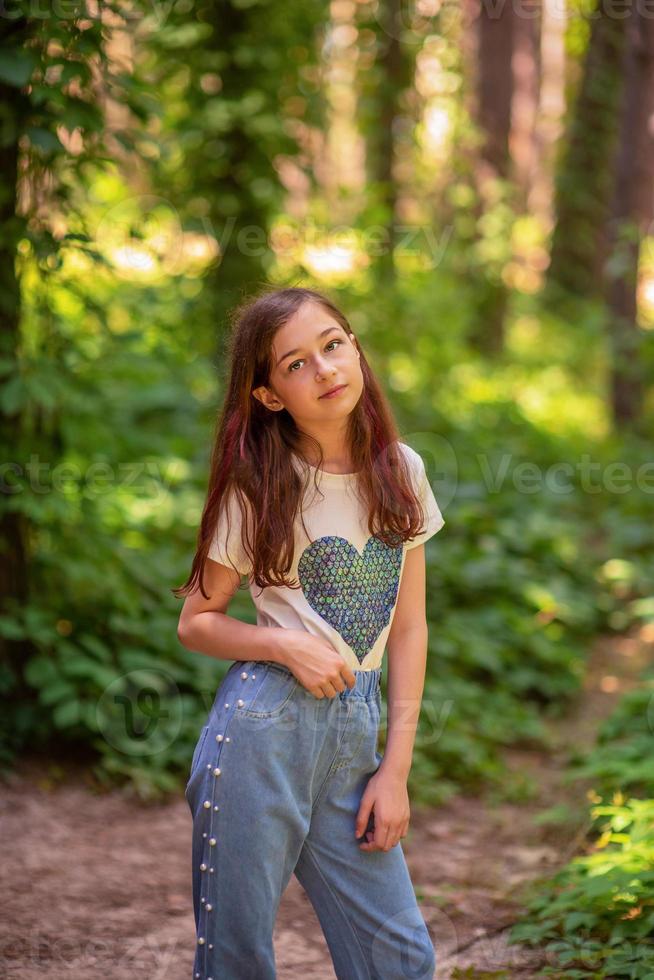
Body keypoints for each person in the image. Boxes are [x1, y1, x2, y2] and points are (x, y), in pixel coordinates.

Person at [174, 285, 445, 980]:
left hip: (356, 733)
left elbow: (410, 628)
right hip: (263, 730)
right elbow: (197, 623)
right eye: (295, 364)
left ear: (355, 347)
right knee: (239, 960)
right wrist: (282, 643)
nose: (325, 369)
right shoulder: (258, 483)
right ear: (268, 395)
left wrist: (396, 770)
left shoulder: (402, 471)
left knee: (400, 959)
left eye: (332, 344)